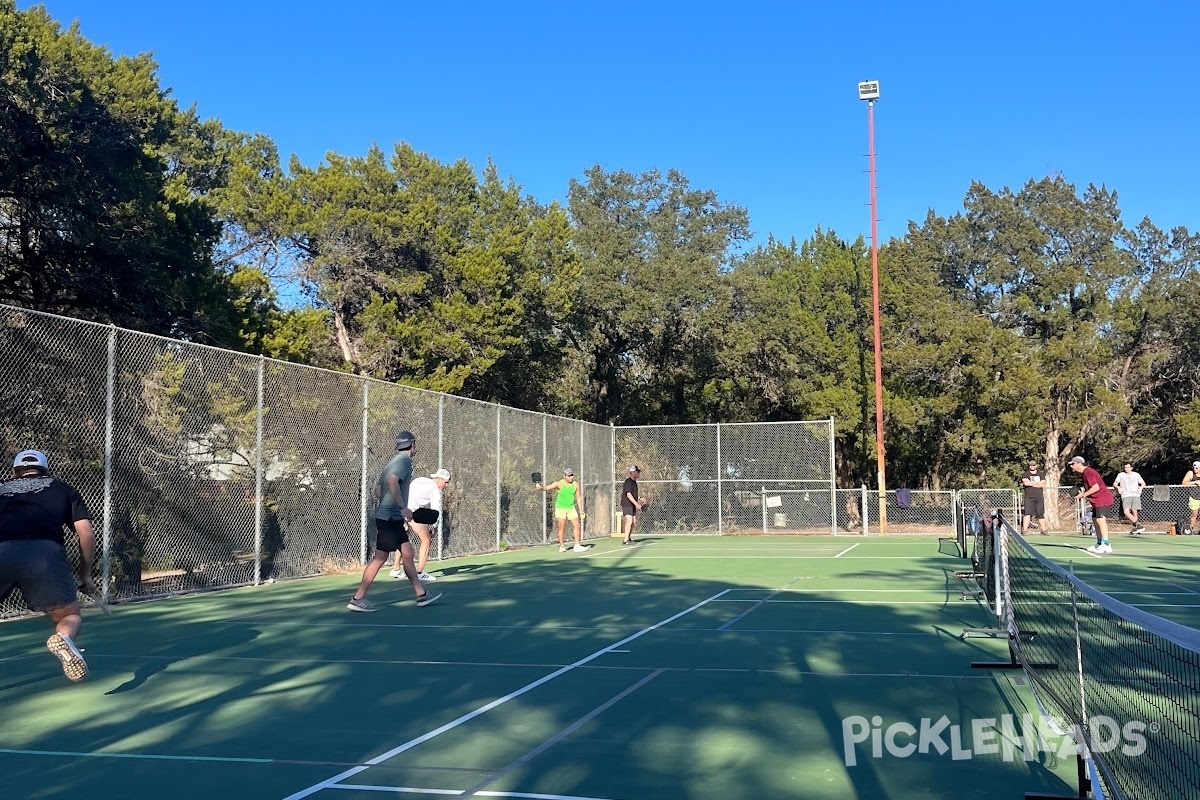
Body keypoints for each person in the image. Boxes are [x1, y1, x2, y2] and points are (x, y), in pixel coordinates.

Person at [0, 450, 95, 682]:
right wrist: (86, 575)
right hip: (43, 555)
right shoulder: (64, 489)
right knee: (70, 615)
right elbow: (86, 535)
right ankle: (64, 638)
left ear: (14, 472)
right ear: (45, 470)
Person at [348, 431, 439, 611]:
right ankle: (357, 599)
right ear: (412, 444)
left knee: (408, 553)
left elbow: (377, 491)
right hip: (389, 518)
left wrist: (393, 506)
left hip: (391, 517)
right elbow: (392, 481)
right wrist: (401, 506)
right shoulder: (404, 462)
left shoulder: (391, 462)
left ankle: (421, 594)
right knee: (380, 558)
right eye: (415, 444)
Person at [391, 467, 450, 582]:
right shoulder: (435, 490)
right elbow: (435, 511)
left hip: (400, 509)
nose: (446, 485)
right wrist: (434, 527)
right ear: (439, 479)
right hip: (411, 511)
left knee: (402, 538)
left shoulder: (421, 479)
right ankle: (419, 572)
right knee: (426, 539)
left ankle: (396, 569)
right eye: (446, 482)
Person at [1069, 456, 1115, 554]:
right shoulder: (1084, 474)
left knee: (1100, 520)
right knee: (1095, 520)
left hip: (1103, 499)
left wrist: (1083, 495)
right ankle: (1099, 543)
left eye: (1072, 464)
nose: (1071, 466)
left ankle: (1106, 544)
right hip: (1096, 501)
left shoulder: (1088, 473)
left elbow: (1096, 487)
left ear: (1079, 464)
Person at [537, 468, 587, 552]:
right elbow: (547, 487)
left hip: (571, 508)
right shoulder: (559, 484)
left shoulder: (576, 485)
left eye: (572, 475)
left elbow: (578, 497)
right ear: (564, 476)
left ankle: (577, 545)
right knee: (561, 527)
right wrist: (540, 487)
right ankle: (562, 546)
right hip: (560, 508)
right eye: (569, 475)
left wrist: (580, 509)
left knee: (577, 525)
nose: (571, 477)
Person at [1112, 463, 1147, 534]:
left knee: (1135, 511)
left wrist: (1140, 488)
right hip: (1126, 495)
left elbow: (1143, 483)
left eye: (1128, 467)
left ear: (1131, 468)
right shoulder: (1121, 475)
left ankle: (1136, 528)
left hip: (1135, 495)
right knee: (1126, 512)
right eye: (1125, 467)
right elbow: (1115, 484)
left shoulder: (1136, 475)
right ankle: (1138, 525)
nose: (1126, 469)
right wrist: (1118, 487)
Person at [620, 465, 646, 545]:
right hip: (627, 504)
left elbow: (634, 495)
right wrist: (636, 504)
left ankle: (629, 538)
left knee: (633, 521)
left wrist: (640, 498)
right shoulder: (628, 482)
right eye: (637, 472)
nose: (639, 473)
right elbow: (628, 494)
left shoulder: (634, 483)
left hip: (632, 505)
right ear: (633, 472)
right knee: (629, 520)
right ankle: (625, 540)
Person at [1020, 461, 1047, 534]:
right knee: (1027, 513)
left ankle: (1044, 530)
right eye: (1030, 465)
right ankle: (1025, 530)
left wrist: (1031, 483)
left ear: (1036, 466)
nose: (1032, 466)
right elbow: (1026, 483)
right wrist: (1037, 483)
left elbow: (1043, 484)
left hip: (1039, 497)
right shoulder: (1025, 474)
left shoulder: (1040, 474)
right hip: (1029, 497)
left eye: (1033, 465)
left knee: (1040, 514)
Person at [1182, 461, 1200, 535]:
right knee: (1194, 514)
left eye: (1197, 468)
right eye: (1194, 467)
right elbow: (1184, 483)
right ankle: (1190, 530)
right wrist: (1195, 482)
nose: (1195, 469)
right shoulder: (1190, 473)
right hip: (1194, 497)